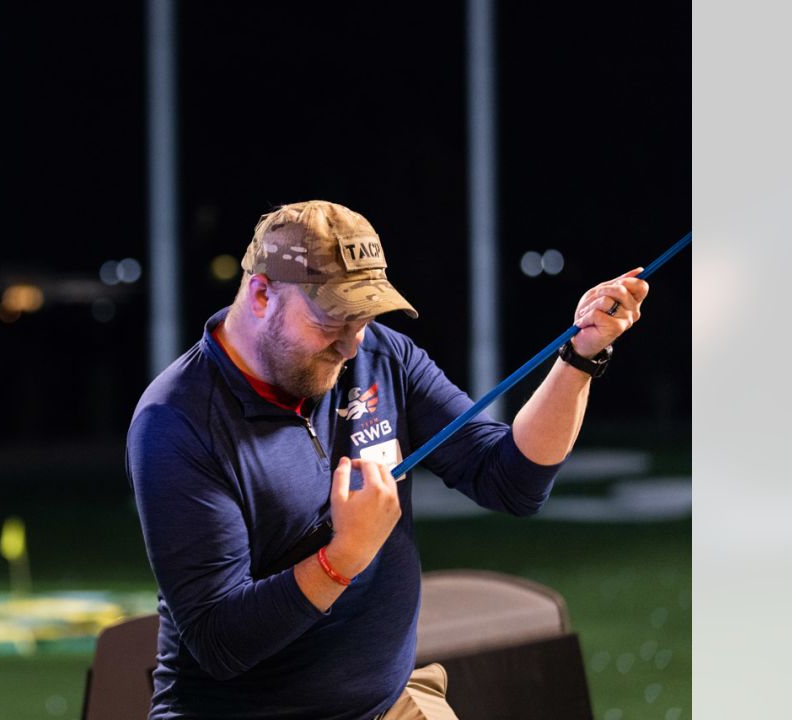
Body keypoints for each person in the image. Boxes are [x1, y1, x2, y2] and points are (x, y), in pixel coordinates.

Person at [126, 200, 647, 719]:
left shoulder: (382, 355)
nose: (352, 345)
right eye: (333, 319)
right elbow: (221, 643)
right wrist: (345, 556)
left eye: (366, 318)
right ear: (262, 294)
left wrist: (581, 358)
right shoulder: (176, 420)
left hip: (387, 704)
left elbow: (510, 481)